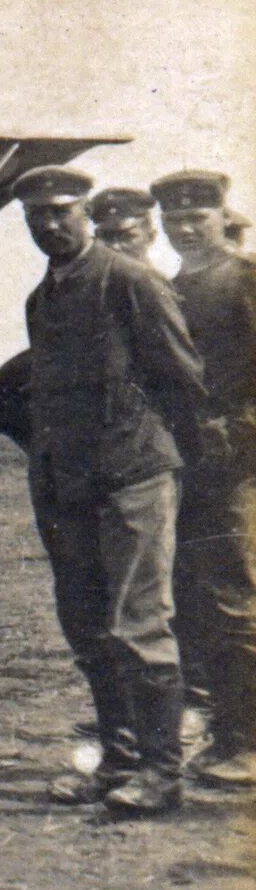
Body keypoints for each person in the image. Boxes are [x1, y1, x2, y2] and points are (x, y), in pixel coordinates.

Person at [12, 165, 206, 815]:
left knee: (139, 627)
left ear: (85, 216)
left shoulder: (130, 280)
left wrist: (163, 465)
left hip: (131, 480)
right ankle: (119, 761)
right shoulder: (44, 298)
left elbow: (183, 381)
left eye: (61, 213)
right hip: (69, 489)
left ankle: (160, 772)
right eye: (37, 217)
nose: (49, 226)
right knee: (89, 630)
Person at [156, 169, 256, 785]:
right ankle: (227, 731)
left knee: (236, 594)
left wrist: (237, 434)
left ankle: (248, 739)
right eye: (175, 220)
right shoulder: (172, 286)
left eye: (198, 217)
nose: (187, 229)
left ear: (223, 216)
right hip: (186, 463)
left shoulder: (244, 279)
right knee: (196, 599)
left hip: (238, 464)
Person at [88, 184, 160, 265]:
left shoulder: (159, 278)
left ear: (150, 237)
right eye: (107, 236)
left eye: (127, 237)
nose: (115, 246)